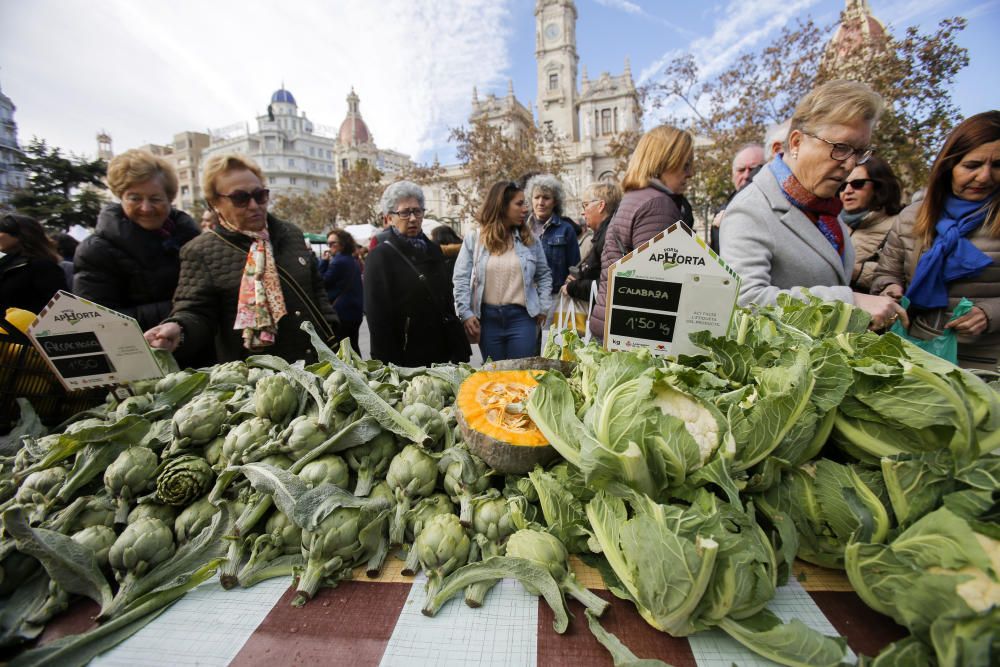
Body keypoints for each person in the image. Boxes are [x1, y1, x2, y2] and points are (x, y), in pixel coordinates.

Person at [720, 80, 907, 330]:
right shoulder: (751, 208)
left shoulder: (823, 207)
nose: (850, 165)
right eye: (840, 148)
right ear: (796, 142)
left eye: (860, 152)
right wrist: (848, 304)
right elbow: (746, 303)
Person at [143, 154, 339, 364]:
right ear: (215, 203)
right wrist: (178, 328)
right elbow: (196, 310)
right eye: (240, 198)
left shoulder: (291, 234)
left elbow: (316, 289)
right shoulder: (201, 251)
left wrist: (332, 326)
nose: (254, 205)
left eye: (260, 195)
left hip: (317, 363)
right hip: (260, 377)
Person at [871, 111, 1000, 370]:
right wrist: (889, 289)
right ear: (949, 165)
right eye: (972, 165)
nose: (984, 176)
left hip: (985, 361)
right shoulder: (911, 218)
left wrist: (991, 313)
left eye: (998, 165)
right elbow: (886, 273)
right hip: (915, 353)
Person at [73, 150, 200, 331]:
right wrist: (186, 310)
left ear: (170, 199)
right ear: (121, 197)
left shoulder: (191, 239)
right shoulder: (96, 251)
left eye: (155, 199)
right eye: (135, 198)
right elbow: (97, 321)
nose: (146, 208)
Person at [589, 125, 695, 340]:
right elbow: (659, 286)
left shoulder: (637, 197)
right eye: (685, 164)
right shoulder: (659, 205)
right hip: (635, 336)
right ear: (664, 161)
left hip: (616, 326)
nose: (690, 173)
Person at [364, 181, 470, 366]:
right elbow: (376, 316)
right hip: (404, 355)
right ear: (390, 218)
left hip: (440, 352)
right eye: (404, 212)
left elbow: (445, 302)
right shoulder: (380, 256)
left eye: (417, 211)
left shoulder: (434, 250)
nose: (412, 218)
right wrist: (385, 361)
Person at [454, 181, 552, 361]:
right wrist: (466, 314)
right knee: (494, 379)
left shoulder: (530, 240)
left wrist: (544, 307)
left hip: (522, 319)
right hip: (487, 320)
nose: (525, 209)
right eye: (519, 203)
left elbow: (544, 275)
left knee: (519, 377)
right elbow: (460, 278)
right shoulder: (475, 239)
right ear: (502, 205)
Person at [838, 155, 903, 292]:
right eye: (843, 185)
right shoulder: (832, 222)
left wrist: (855, 271)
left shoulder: (901, 226)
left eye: (858, 184)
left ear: (879, 186)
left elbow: (903, 275)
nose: (848, 191)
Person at [563, 181, 623, 308]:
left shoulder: (609, 237)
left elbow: (612, 285)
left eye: (585, 205)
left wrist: (573, 287)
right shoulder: (605, 234)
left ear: (601, 205)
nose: (582, 212)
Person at [524, 174, 580, 308]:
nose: (540, 202)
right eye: (536, 197)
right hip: (526, 299)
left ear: (555, 202)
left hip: (556, 299)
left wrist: (569, 283)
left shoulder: (566, 230)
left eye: (546, 198)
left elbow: (575, 268)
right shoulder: (522, 229)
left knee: (556, 330)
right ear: (531, 200)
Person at [0, 214, 67, 313]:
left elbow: (62, 308)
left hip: (29, 326)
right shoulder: (6, 263)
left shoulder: (42, 266)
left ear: (18, 234)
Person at [705, 143, 766, 251]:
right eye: (741, 170)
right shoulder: (721, 211)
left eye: (753, 169)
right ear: (733, 174)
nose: (746, 176)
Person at [319, 229, 364, 355]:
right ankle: (360, 373)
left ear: (343, 244)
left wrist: (323, 262)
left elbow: (321, 282)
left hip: (342, 314)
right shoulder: (352, 260)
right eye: (328, 244)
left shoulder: (339, 262)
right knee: (353, 348)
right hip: (355, 312)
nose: (330, 247)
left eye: (333, 243)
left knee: (343, 351)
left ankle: (352, 374)